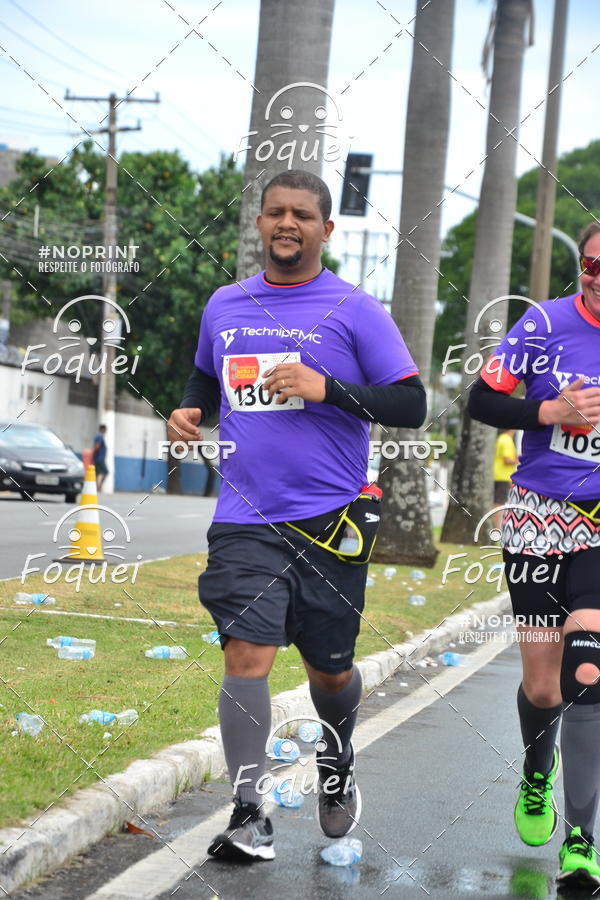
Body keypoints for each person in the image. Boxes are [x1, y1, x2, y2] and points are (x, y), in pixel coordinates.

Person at [167, 169, 426, 863]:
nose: (288, 223)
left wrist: (328, 388)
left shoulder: (353, 308)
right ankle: (249, 810)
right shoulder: (224, 303)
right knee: (246, 654)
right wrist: (192, 408)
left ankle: (337, 759)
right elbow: (204, 374)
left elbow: (412, 404)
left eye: (303, 215)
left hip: (331, 524)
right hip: (246, 518)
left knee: (329, 673)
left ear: (325, 230)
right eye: (276, 212)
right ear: (259, 223)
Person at [468, 222, 600, 888]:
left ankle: (581, 840)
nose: (598, 278)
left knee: (587, 673)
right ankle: (535, 771)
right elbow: (481, 399)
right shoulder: (543, 325)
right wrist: (549, 411)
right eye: (591, 265)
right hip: (539, 516)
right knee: (544, 684)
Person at [492, 428, 518, 531]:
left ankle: (497, 527)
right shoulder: (506, 440)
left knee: (498, 502)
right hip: (503, 476)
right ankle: (497, 528)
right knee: (499, 503)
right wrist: (520, 459)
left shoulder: (502, 438)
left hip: (499, 475)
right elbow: (507, 460)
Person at [92, 424, 108, 491]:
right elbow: (97, 446)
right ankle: (98, 487)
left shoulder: (99, 436)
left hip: (99, 458)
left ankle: (96, 487)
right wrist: (93, 454)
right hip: (99, 459)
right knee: (105, 472)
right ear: (103, 429)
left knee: (97, 473)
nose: (106, 431)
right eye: (106, 429)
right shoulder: (100, 437)